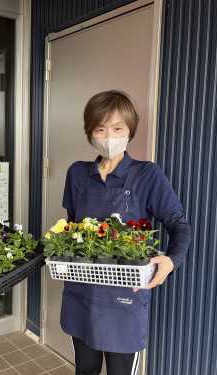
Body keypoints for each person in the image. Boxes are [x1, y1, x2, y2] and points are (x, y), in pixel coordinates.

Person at [61, 91, 191, 375]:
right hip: (81, 292)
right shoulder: (77, 173)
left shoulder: (148, 174)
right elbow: (70, 225)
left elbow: (178, 224)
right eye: (100, 128)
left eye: (118, 127)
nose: (109, 136)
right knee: (85, 369)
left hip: (124, 297)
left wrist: (171, 261)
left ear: (130, 130)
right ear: (90, 132)